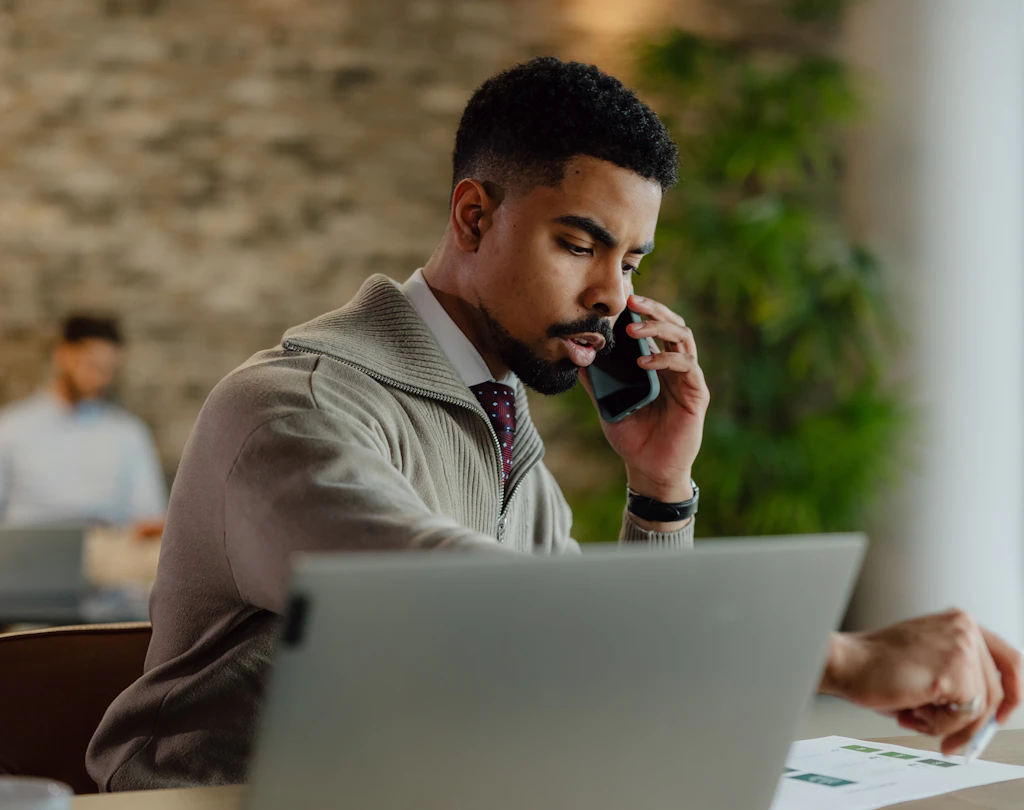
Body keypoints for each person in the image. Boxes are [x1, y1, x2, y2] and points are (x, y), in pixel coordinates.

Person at [88, 58, 1020, 791]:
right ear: (472, 215)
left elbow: (600, 671)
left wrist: (659, 491)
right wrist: (844, 656)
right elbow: (469, 612)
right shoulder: (292, 409)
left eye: (633, 259)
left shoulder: (499, 428)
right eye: (579, 244)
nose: (613, 297)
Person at [0, 315, 167, 536]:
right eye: (92, 366)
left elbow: (151, 516)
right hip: (30, 553)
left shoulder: (129, 433)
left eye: (108, 370)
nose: (100, 379)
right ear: (61, 354)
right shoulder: (11, 428)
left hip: (109, 556)